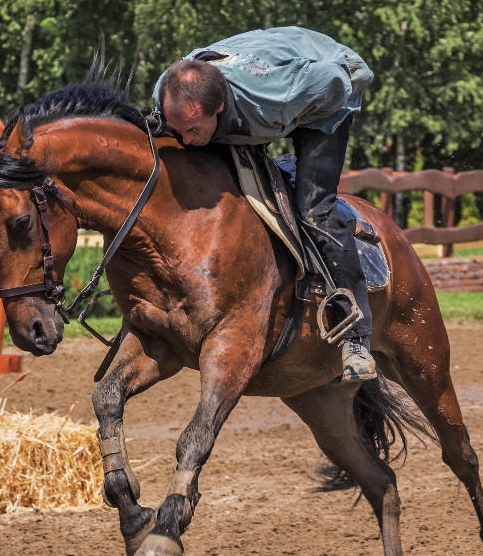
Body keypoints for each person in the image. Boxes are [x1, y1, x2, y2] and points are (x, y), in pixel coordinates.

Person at [152, 26, 376, 382]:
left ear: (219, 106)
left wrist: (286, 126)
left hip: (323, 95)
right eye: (179, 128)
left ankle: (356, 339)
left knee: (313, 210)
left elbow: (335, 81)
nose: (185, 139)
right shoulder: (168, 93)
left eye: (193, 129)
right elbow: (182, 127)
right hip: (255, 97)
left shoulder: (276, 94)